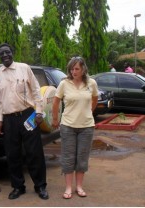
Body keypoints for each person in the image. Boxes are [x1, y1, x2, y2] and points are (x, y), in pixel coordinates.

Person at [0, 43, 49, 200]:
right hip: (9, 119)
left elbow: (37, 91)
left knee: (34, 152)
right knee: (13, 154)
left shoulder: (24, 68)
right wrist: (0, 120)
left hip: (28, 116)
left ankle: (40, 185)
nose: (5, 55)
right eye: (2, 53)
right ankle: (18, 187)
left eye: (7, 52)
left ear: (12, 52)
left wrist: (39, 112)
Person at [51, 57, 98, 199]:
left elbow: (95, 98)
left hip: (87, 127)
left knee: (82, 158)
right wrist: (55, 119)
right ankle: (68, 188)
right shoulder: (64, 84)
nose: (74, 71)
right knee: (68, 157)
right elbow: (55, 101)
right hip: (68, 126)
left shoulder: (92, 83)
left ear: (83, 69)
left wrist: (89, 111)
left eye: (77, 68)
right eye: (71, 69)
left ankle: (79, 187)